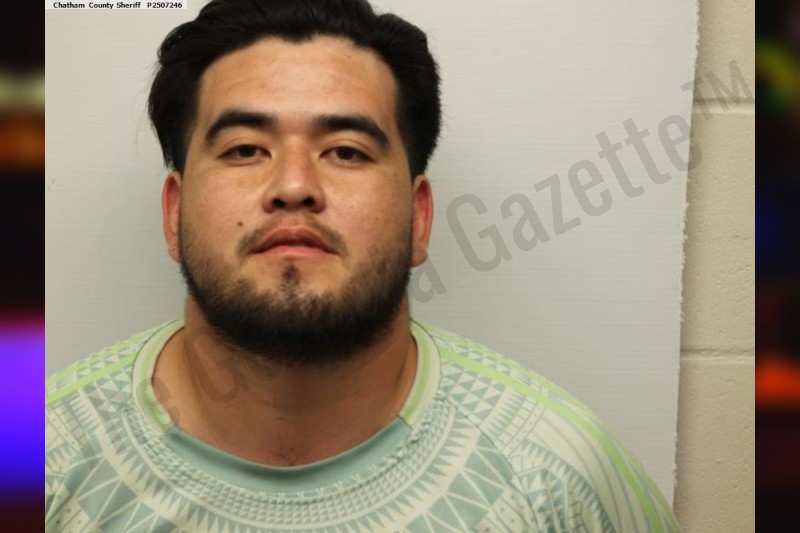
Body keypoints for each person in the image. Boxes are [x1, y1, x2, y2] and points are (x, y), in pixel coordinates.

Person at [45, 0, 680, 530]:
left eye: (346, 151)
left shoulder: (557, 477)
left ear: (419, 217)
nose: (294, 186)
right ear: (174, 213)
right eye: (244, 149)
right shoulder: (37, 456)